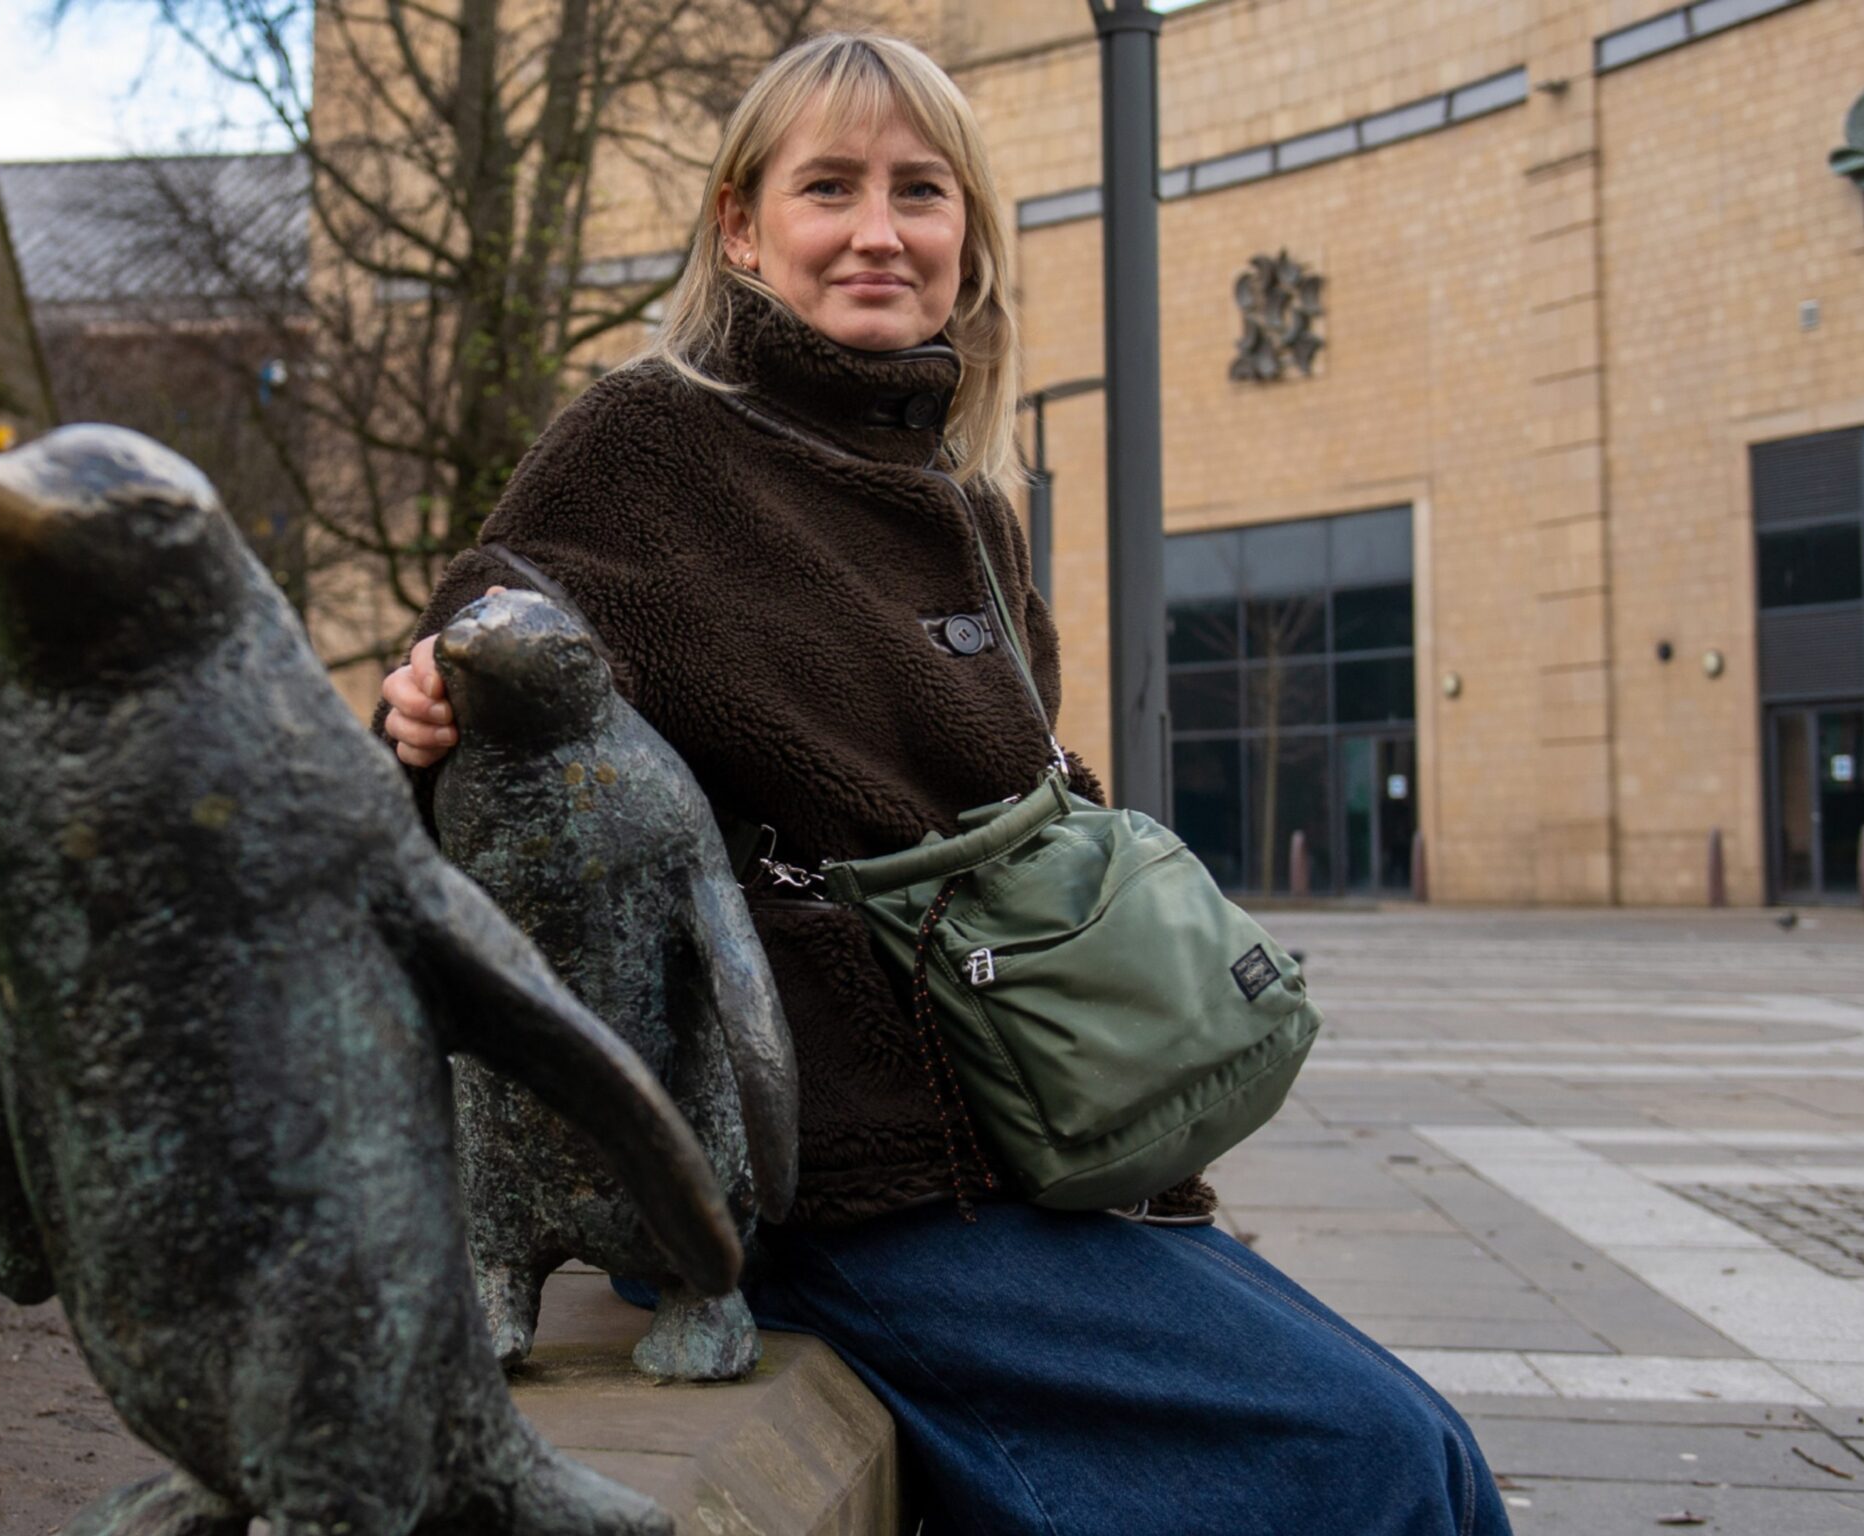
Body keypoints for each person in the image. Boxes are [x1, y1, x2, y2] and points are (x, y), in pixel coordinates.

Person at [379, 33, 1509, 1536]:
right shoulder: (645, 444)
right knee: (1372, 1466)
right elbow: (495, 691)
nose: (877, 230)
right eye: (828, 186)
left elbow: (1032, 810)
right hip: (811, 1184)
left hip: (1005, 1151)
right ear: (740, 223)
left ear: (967, 234)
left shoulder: (967, 505)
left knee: (1415, 1450)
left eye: (921, 191)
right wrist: (422, 715)